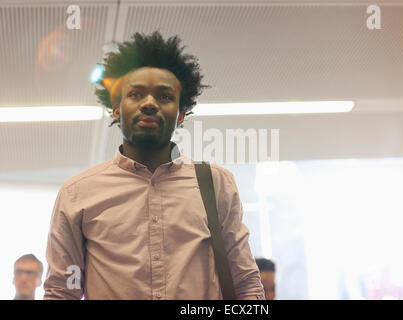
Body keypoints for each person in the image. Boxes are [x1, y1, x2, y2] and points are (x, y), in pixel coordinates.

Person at [44, 31, 264, 300]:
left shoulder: (215, 184)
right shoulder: (77, 193)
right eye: (135, 94)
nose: (149, 104)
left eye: (164, 97)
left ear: (181, 113)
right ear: (116, 108)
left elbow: (245, 284)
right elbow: (61, 290)